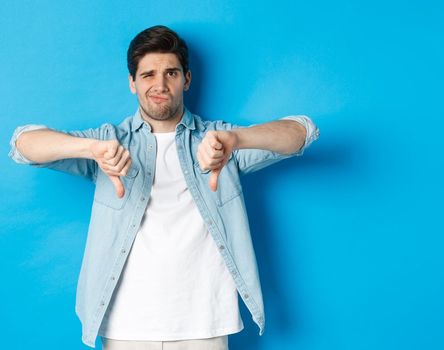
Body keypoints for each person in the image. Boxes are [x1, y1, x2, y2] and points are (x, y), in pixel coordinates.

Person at [8, 25, 319, 349]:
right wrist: (89, 149)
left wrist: (237, 139)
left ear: (186, 79)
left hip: (205, 321)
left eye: (171, 73)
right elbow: (23, 144)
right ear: (132, 82)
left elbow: (302, 132)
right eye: (148, 75)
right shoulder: (108, 142)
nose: (159, 84)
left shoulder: (218, 140)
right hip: (125, 323)